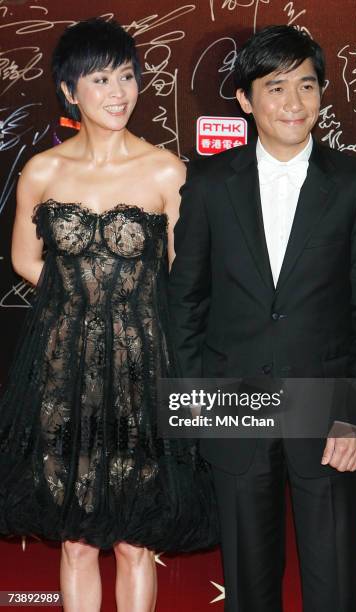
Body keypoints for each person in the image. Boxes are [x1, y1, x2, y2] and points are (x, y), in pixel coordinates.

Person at [168, 25, 356, 612]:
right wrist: (196, 408)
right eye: (275, 87)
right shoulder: (211, 184)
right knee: (249, 581)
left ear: (322, 93)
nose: (294, 103)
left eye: (307, 85)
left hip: (327, 405)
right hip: (232, 405)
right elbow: (185, 302)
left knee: (334, 581)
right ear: (245, 100)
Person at [0, 18, 217, 612]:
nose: (119, 91)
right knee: (73, 540)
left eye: (127, 75)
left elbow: (186, 276)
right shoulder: (42, 172)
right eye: (101, 78)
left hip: (142, 368)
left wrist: (127, 307)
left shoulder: (165, 171)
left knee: (133, 541)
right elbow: (24, 259)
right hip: (62, 371)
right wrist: (84, 296)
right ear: (70, 91)